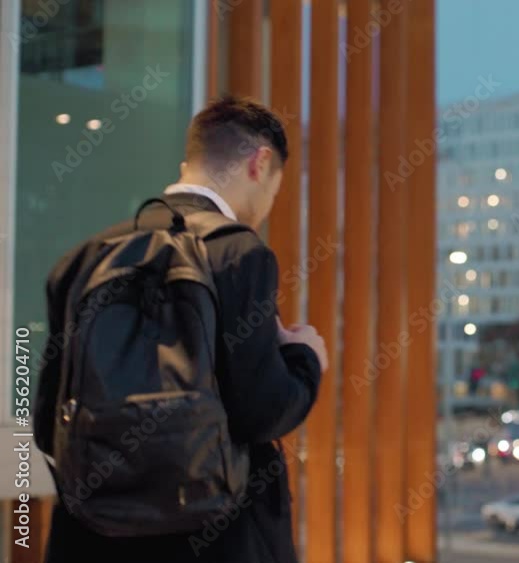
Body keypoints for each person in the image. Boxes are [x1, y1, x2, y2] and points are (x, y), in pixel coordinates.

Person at [33, 95, 328, 563]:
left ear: (186, 165)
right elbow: (263, 411)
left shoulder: (83, 259)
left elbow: (47, 425)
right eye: (275, 189)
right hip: (218, 537)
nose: (269, 205)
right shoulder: (239, 253)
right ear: (260, 163)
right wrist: (304, 357)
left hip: (91, 537)